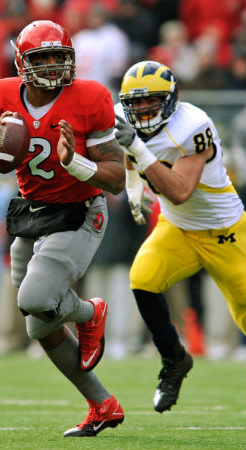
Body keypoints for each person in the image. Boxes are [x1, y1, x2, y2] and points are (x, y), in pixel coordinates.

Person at [0, 20, 125, 437]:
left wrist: (77, 162)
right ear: (22, 62)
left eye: (60, 57)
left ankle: (90, 312)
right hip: (32, 212)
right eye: (43, 57)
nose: (53, 65)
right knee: (39, 322)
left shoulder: (90, 97)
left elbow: (116, 179)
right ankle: (103, 404)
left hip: (80, 210)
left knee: (36, 298)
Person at [114, 60, 246, 413]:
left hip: (225, 232)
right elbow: (131, 149)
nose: (142, 109)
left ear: (171, 99)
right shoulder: (124, 117)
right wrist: (132, 184)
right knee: (143, 279)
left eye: (151, 101)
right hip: (177, 228)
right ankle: (174, 361)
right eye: (136, 103)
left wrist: (138, 154)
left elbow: (180, 190)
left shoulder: (193, 125)